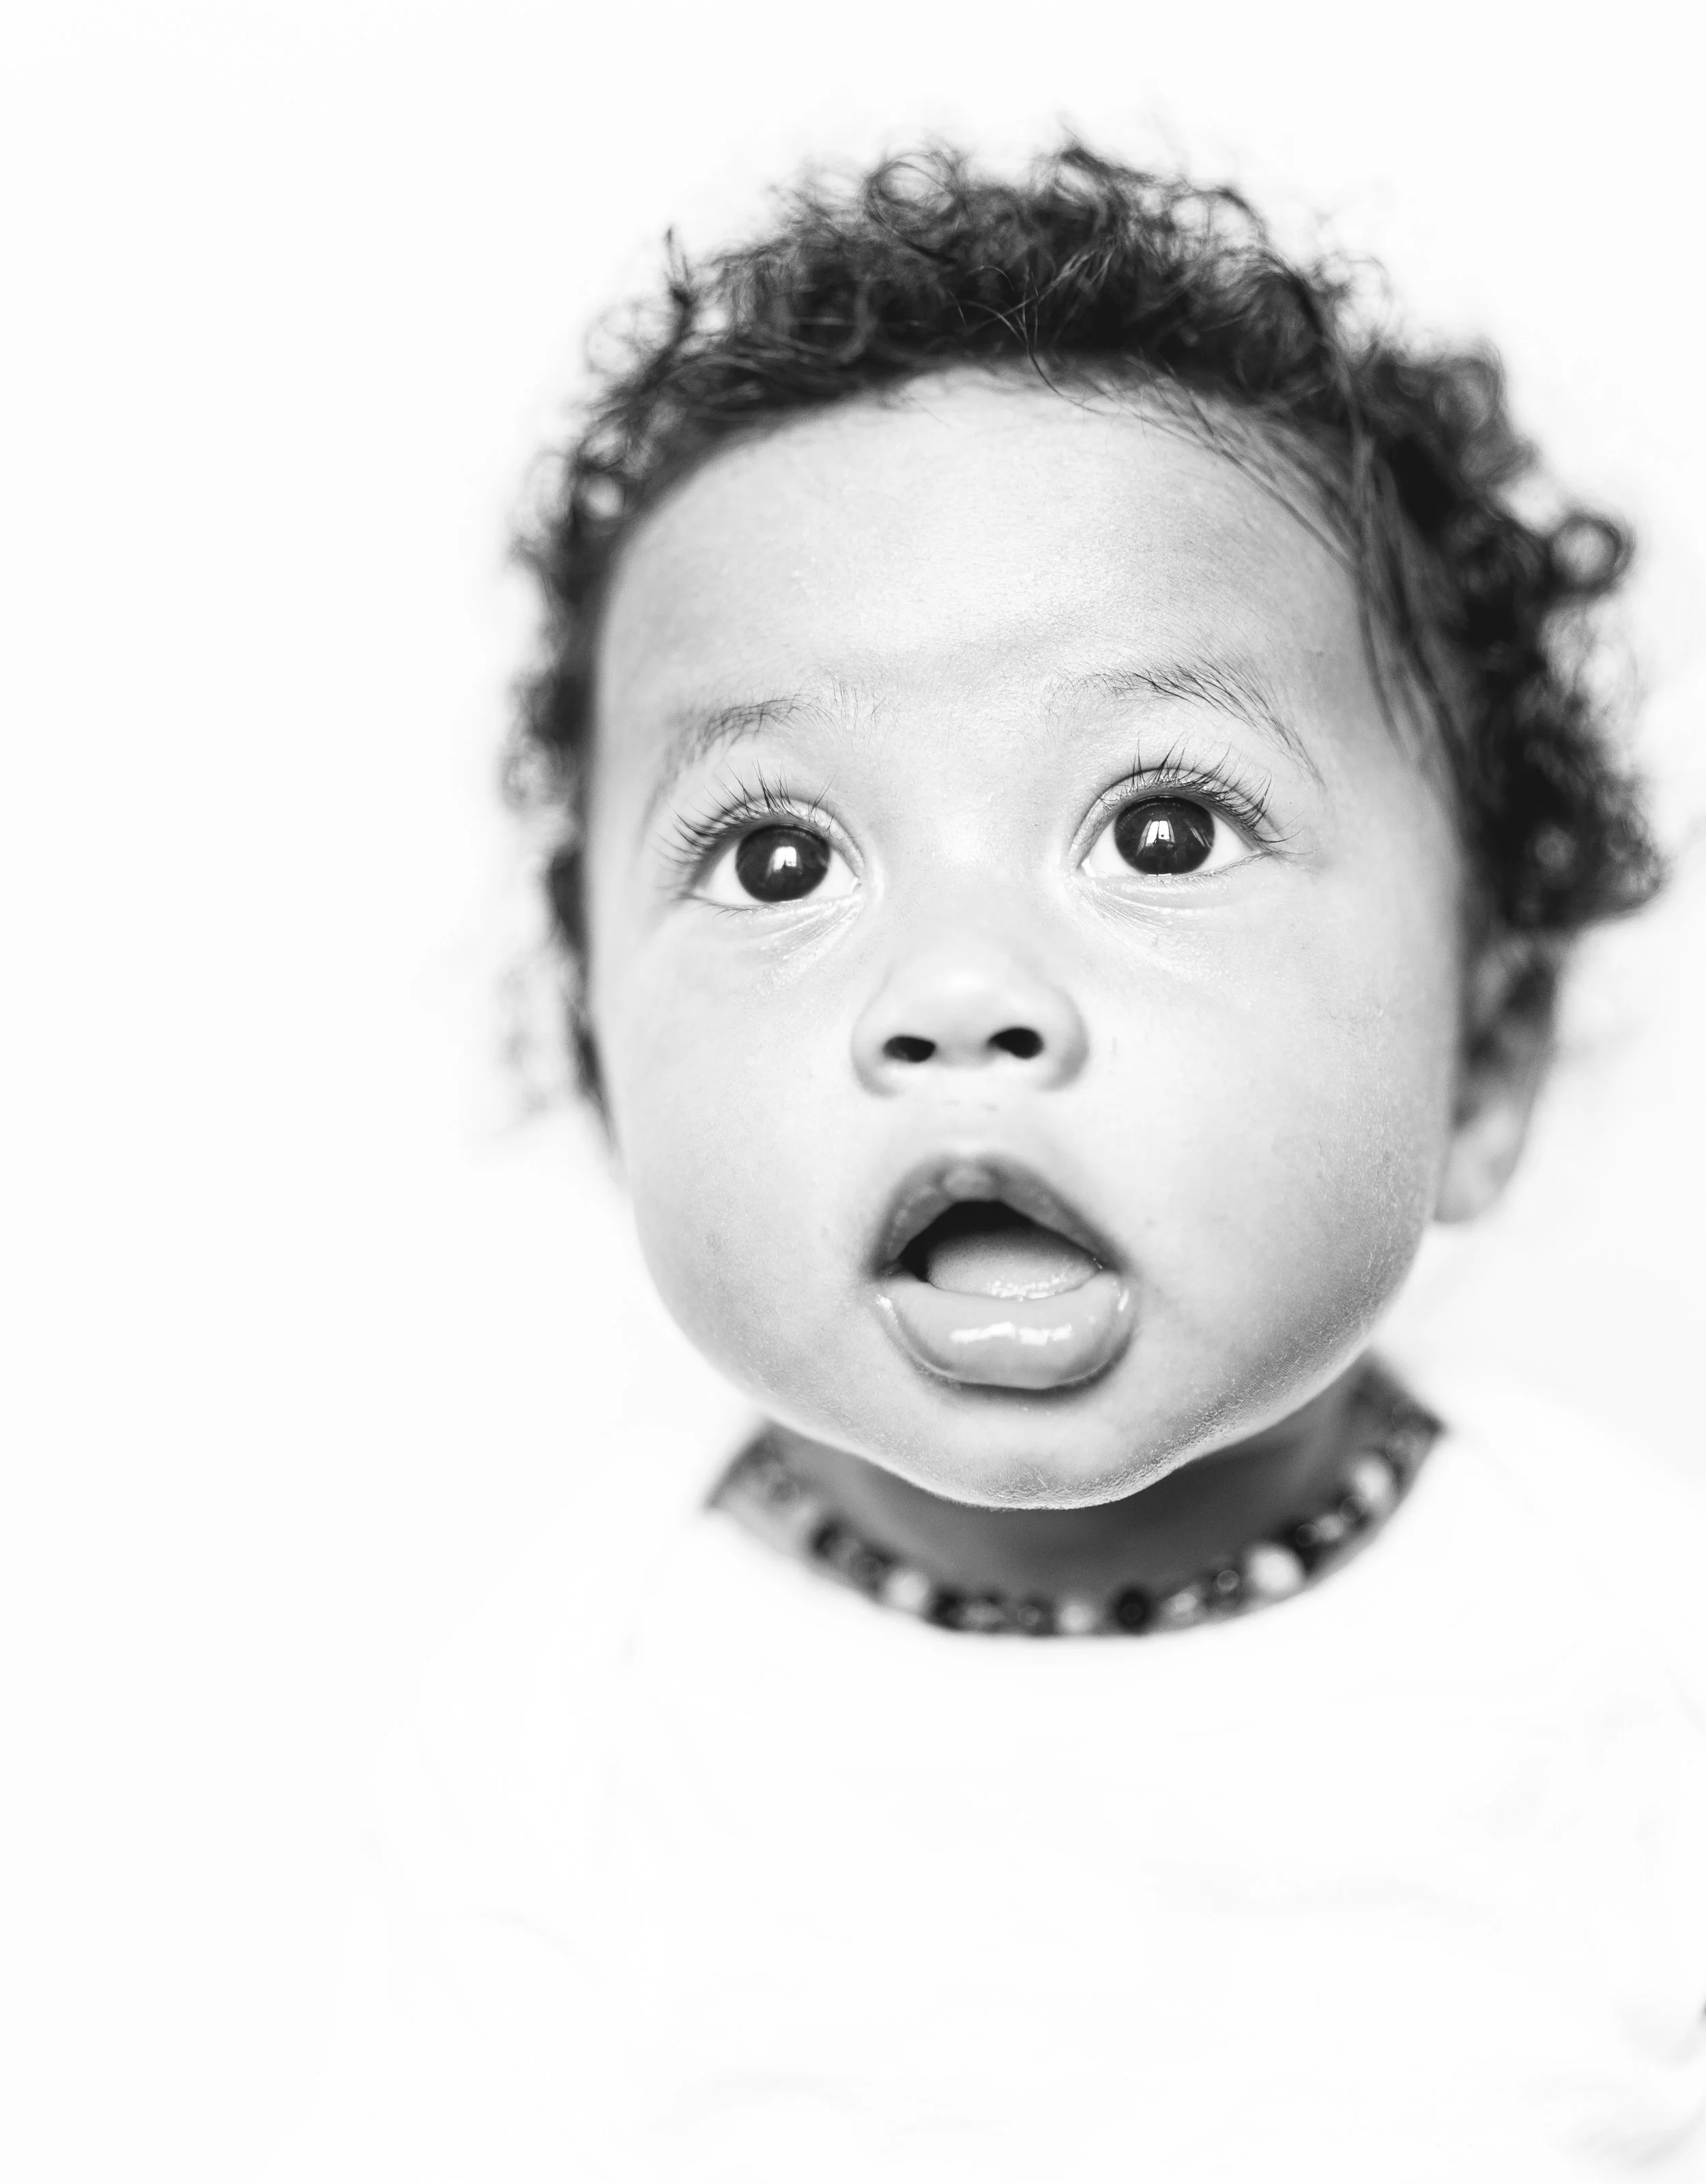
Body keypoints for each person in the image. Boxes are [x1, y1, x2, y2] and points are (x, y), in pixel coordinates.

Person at [265, 147, 1706, 2182]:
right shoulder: (568, 1753)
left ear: (1485, 1049)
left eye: (1163, 830)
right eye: (778, 858)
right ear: (595, 1066)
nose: (955, 991)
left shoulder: (1638, 1654)